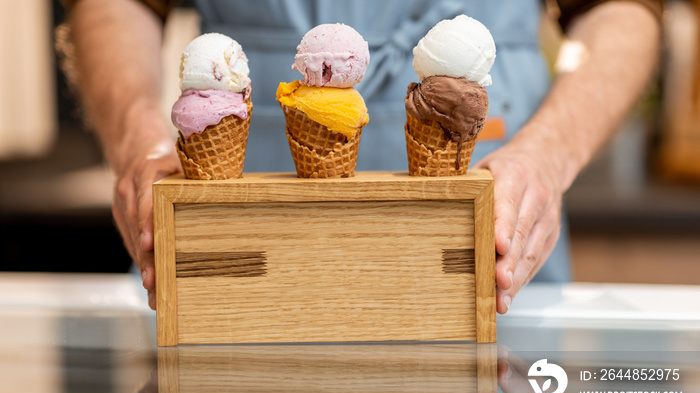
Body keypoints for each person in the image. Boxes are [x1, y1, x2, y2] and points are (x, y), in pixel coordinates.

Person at [62, 0, 662, 311]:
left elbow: (621, 10)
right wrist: (139, 138)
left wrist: (549, 156)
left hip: (498, 199)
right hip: (238, 230)